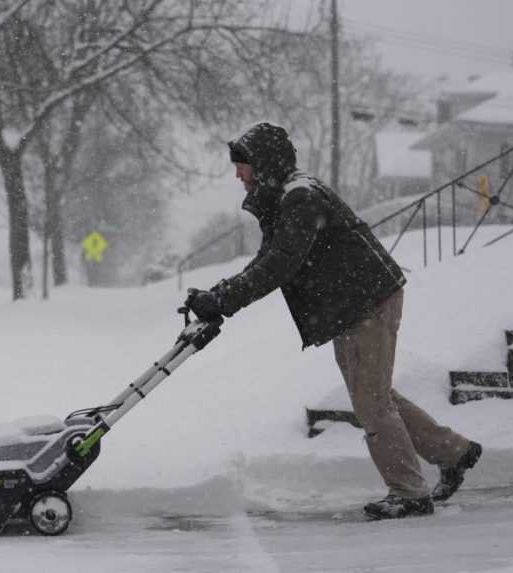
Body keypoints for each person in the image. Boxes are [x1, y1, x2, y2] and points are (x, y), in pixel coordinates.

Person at [184, 122, 483, 520]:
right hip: (355, 302)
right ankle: (453, 452)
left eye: (243, 165)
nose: (238, 174)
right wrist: (220, 294)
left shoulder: (299, 197)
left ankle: (410, 491)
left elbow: (280, 263)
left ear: (263, 164)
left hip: (366, 302)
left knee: (371, 400)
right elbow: (269, 258)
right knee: (376, 394)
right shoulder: (287, 196)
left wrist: (225, 299)